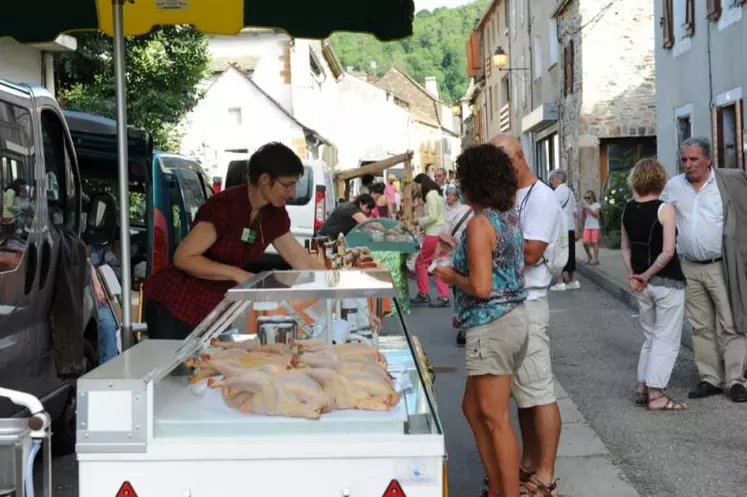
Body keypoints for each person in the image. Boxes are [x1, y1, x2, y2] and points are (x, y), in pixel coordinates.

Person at [142, 142, 326, 339]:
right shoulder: (226, 207)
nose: (293, 193)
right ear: (265, 179)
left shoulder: (273, 214)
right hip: (176, 304)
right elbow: (184, 257)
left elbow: (302, 261)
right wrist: (236, 273)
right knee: (181, 368)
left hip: (214, 308)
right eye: (288, 185)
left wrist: (335, 288)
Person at [434, 144, 528, 497]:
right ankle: (498, 485)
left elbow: (481, 286)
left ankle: (508, 491)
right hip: (513, 320)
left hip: (492, 324)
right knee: (473, 407)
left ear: (474, 182)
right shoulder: (508, 217)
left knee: (495, 418)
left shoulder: (479, 223)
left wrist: (449, 276)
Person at [491, 134, 561, 497]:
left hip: (530, 302)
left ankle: (546, 476)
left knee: (540, 391)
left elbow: (532, 252)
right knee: (523, 396)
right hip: (510, 302)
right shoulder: (511, 196)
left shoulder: (543, 198)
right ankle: (529, 463)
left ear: (518, 159)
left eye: (502, 163)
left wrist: (485, 244)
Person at [660, 137, 747, 403]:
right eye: (684, 160)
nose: (688, 165)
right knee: (700, 327)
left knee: (732, 324)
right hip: (690, 267)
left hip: (722, 266)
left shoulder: (726, 184)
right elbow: (659, 214)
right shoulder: (674, 186)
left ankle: (736, 381)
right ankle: (710, 378)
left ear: (708, 159)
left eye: (694, 159)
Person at [622, 159, 687, 411]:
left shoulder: (628, 208)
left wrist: (634, 275)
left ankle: (642, 387)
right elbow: (668, 251)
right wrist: (648, 274)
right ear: (660, 180)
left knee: (649, 337)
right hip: (666, 281)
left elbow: (626, 248)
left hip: (641, 283)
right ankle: (657, 393)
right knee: (666, 338)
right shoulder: (665, 209)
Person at [437, 185, 473, 345]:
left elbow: (444, 236)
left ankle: (464, 326)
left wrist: (448, 246)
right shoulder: (479, 212)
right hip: (476, 257)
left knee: (460, 291)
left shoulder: (454, 213)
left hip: (459, 258)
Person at [411, 173, 448, 308]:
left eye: (417, 185)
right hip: (441, 233)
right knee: (439, 264)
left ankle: (423, 293)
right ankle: (444, 296)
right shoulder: (437, 194)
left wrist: (419, 221)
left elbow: (432, 217)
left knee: (421, 263)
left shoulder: (430, 195)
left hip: (433, 234)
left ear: (422, 183)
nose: (416, 188)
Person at [548, 170, 580, 290]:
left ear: (557, 179)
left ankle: (560, 282)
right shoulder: (570, 192)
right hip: (570, 227)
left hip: (561, 229)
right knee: (570, 254)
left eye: (552, 179)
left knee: (559, 254)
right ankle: (573, 280)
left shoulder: (558, 191)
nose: (551, 182)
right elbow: (575, 212)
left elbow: (552, 209)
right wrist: (577, 229)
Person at [318, 193, 384, 237]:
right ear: (361, 203)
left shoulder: (352, 206)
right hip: (327, 236)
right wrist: (388, 231)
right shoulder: (352, 208)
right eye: (367, 208)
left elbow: (366, 223)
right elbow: (369, 224)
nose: (368, 211)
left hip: (334, 236)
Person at [581, 191, 602, 265]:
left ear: (592, 198)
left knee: (594, 242)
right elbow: (584, 216)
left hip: (595, 226)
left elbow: (596, 215)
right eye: (585, 197)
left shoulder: (597, 205)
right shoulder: (586, 205)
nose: (587, 199)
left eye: (588, 197)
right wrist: (583, 209)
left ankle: (595, 258)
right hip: (587, 226)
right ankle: (589, 255)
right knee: (585, 242)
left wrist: (588, 207)